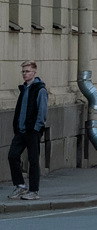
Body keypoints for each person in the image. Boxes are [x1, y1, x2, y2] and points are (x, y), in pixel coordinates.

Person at [8, 60, 46, 201]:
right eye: (23, 71)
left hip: (32, 131)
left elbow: (42, 112)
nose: (25, 74)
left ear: (34, 72)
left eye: (27, 71)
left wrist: (36, 128)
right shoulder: (23, 89)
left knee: (33, 161)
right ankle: (20, 186)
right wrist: (17, 127)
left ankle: (34, 190)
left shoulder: (40, 90)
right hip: (21, 131)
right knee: (12, 156)